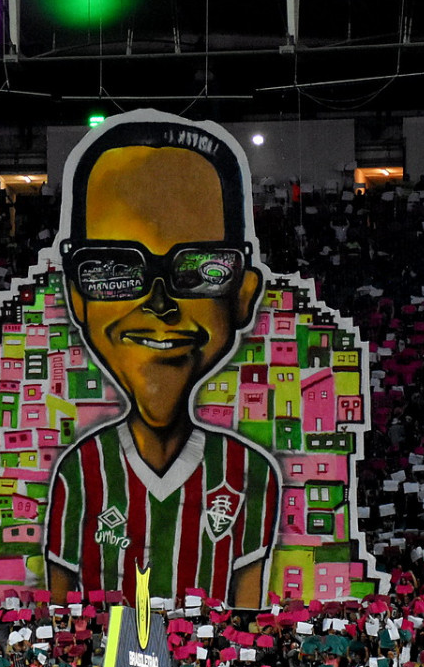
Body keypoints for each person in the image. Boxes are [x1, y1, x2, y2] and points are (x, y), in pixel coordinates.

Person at [43, 114, 280, 607]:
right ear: (77, 296)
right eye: (114, 270)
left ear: (243, 294)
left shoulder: (251, 471)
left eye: (198, 267)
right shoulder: (80, 470)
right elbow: (61, 613)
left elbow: (249, 614)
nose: (158, 304)